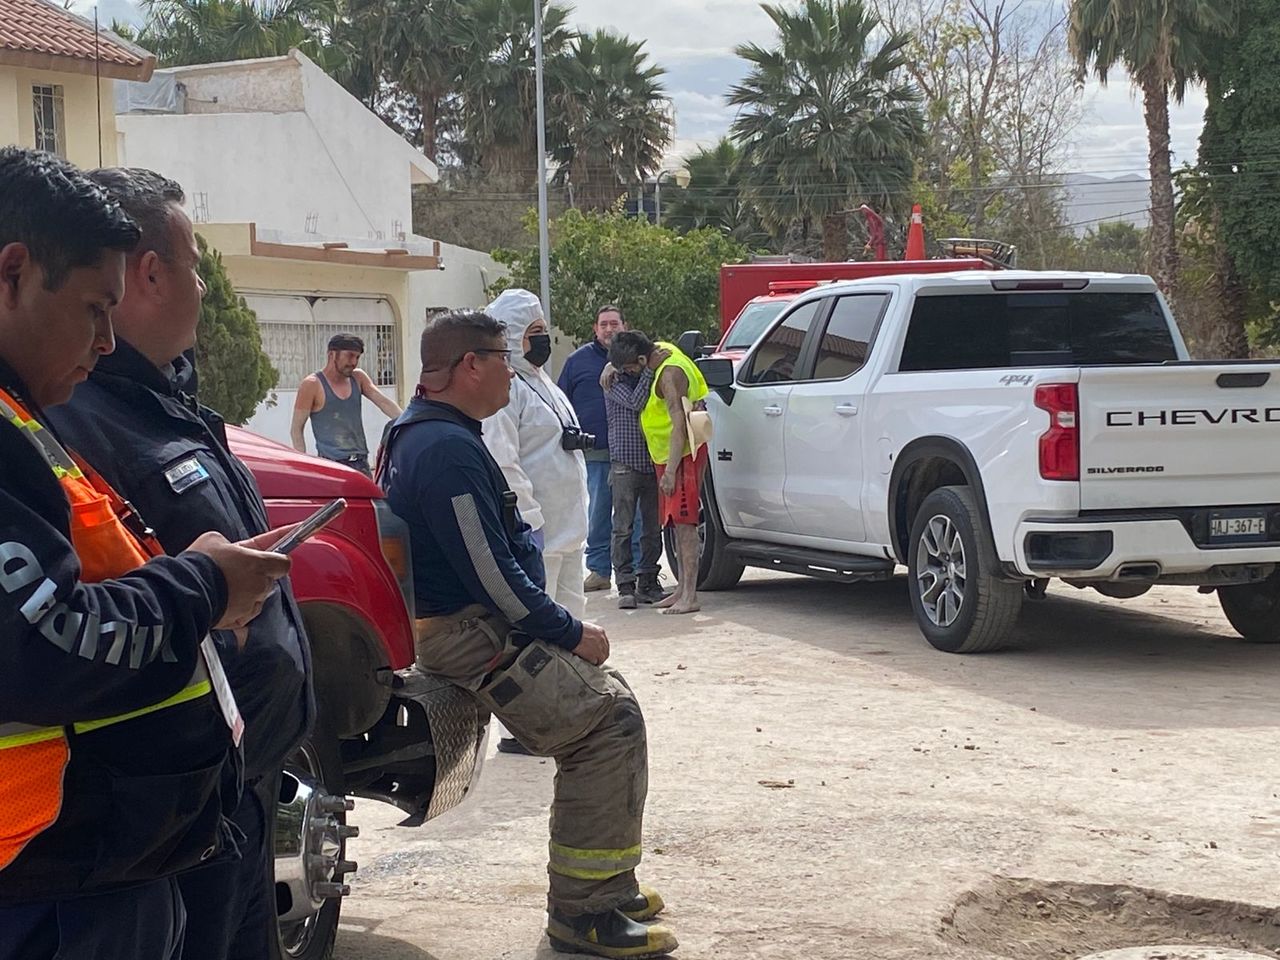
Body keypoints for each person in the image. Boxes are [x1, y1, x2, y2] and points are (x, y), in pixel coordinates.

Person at [0, 147, 291, 960]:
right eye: (95, 308)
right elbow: (46, 642)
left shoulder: (26, 415)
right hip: (50, 879)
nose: (105, 341)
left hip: (98, 863)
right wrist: (204, 585)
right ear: (13, 273)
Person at [379, 309, 677, 960]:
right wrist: (568, 631)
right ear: (470, 366)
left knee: (609, 702)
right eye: (503, 360)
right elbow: (490, 572)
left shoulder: (419, 431)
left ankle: (610, 889)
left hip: (460, 622)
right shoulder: (446, 449)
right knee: (607, 723)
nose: (512, 375)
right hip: (466, 633)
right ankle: (585, 912)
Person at [481, 289, 589, 616]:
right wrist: (530, 521)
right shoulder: (506, 389)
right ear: (513, 336)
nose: (544, 339)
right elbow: (503, 461)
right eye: (535, 332)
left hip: (569, 531)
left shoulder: (544, 383)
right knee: (544, 623)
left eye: (544, 329)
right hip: (538, 535)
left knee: (575, 620)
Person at [608, 332, 709, 615]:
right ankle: (681, 589)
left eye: (630, 369)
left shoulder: (668, 374)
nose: (629, 374)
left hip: (681, 456)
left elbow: (678, 425)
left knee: (685, 524)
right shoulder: (659, 350)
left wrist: (671, 472)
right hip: (668, 456)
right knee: (676, 523)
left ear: (642, 360)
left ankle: (690, 595)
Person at [557, 304, 626, 592]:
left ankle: (636, 572)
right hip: (595, 453)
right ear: (595, 329)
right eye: (604, 324)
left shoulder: (636, 358)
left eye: (614, 323)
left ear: (624, 326)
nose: (609, 329)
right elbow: (561, 402)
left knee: (632, 517)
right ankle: (598, 570)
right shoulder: (577, 361)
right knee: (598, 514)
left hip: (631, 453)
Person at [600, 360, 668, 609]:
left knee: (652, 528)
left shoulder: (651, 375)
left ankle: (648, 581)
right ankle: (625, 584)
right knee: (623, 528)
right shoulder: (613, 381)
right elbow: (636, 402)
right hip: (624, 464)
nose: (635, 368)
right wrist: (648, 371)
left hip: (652, 461)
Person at [291, 332, 401, 476]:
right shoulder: (312, 385)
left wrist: (408, 421)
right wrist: (302, 465)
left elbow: (384, 402)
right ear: (332, 355)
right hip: (331, 465)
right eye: (350, 356)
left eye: (357, 357)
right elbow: (296, 429)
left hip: (360, 463)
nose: (354, 362)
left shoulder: (358, 377)